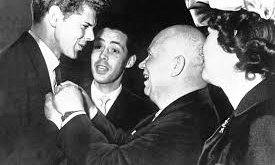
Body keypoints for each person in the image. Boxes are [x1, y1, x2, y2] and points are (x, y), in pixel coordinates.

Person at [45, 25, 219, 165]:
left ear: (176, 65)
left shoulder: (185, 127)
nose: (143, 64)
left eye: (150, 55)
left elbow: (113, 161)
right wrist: (91, 110)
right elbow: (126, 142)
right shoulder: (180, 115)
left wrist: (72, 114)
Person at [0, 0, 110, 164]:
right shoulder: (7, 70)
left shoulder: (53, 67)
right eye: (85, 25)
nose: (91, 36)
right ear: (55, 17)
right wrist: (56, 125)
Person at [186, 0, 275, 164]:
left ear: (237, 43)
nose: (202, 44)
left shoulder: (264, 124)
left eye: (210, 33)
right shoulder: (246, 117)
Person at [81, 22, 157, 131]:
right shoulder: (69, 97)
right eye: (98, 46)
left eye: (114, 50)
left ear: (130, 61)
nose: (102, 55)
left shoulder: (146, 113)